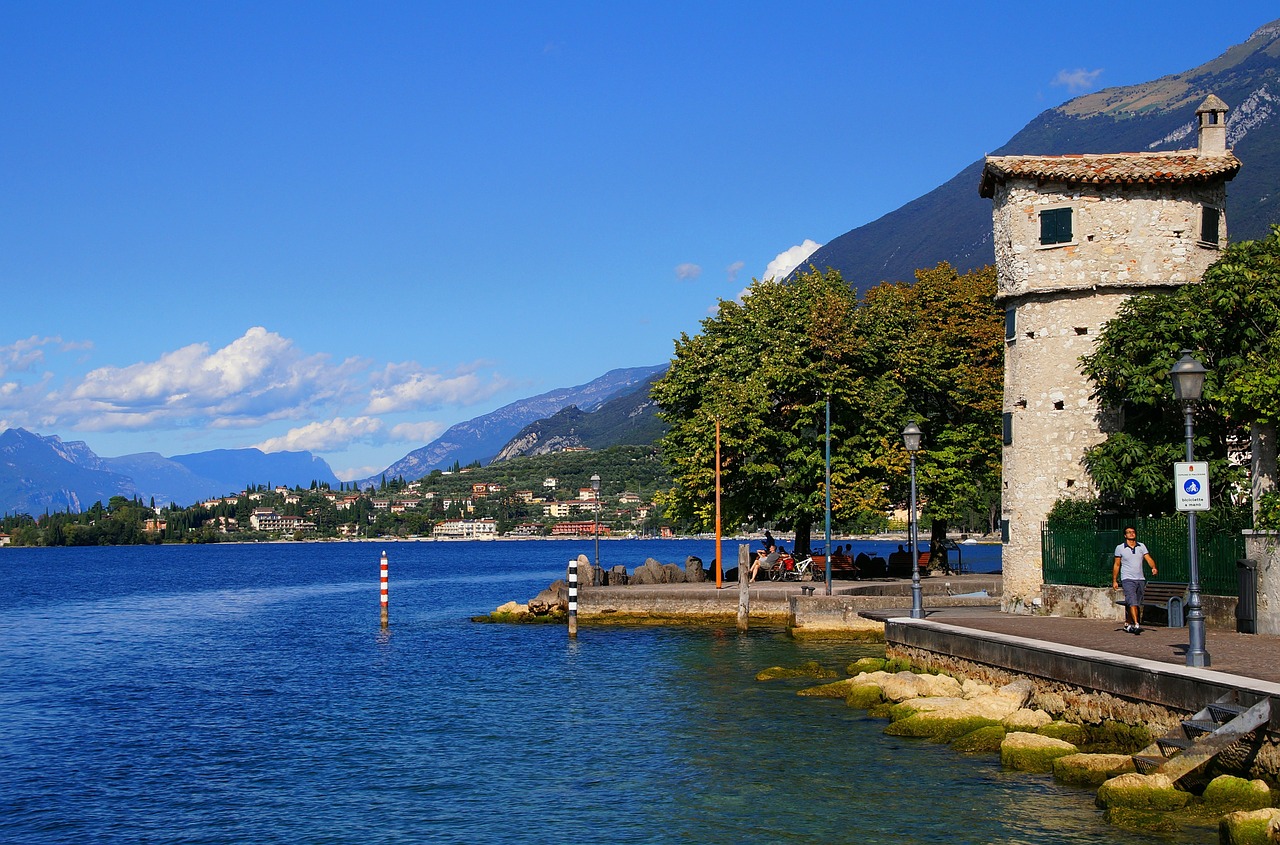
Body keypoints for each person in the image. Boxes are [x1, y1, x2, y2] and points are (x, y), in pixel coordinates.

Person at [1112, 525, 1158, 634]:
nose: (1131, 534)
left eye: (1133, 532)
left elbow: (1148, 558)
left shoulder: (1141, 546)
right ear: (1125, 535)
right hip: (1127, 578)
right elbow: (1117, 565)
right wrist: (1115, 580)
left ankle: (1127, 623)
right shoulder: (1120, 548)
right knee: (1132, 601)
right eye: (1128, 532)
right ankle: (1137, 624)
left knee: (1135, 603)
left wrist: (1153, 567)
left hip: (1140, 578)